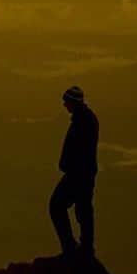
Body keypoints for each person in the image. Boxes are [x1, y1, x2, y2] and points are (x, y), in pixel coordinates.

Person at [49, 85, 99, 258]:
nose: (64, 105)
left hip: (78, 175)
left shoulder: (84, 122)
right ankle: (82, 247)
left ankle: (74, 248)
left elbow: (81, 150)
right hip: (81, 173)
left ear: (73, 102)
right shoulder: (85, 119)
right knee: (82, 209)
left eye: (66, 101)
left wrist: (68, 166)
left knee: (59, 206)